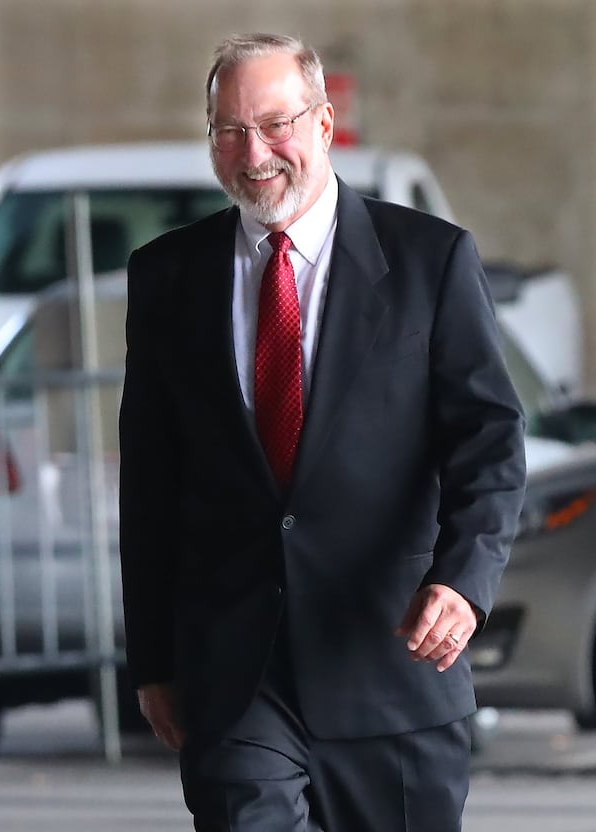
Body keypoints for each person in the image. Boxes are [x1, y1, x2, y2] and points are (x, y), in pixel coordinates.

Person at [119, 32, 526, 832]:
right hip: (238, 679)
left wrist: (463, 579)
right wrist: (155, 661)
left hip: (393, 664)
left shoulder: (429, 261)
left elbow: (489, 438)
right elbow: (150, 480)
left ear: (325, 122)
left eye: (274, 125)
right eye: (228, 130)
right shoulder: (168, 275)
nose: (254, 152)